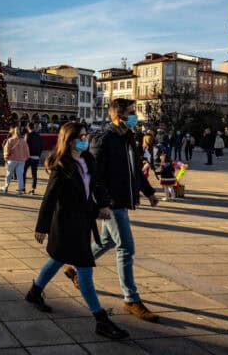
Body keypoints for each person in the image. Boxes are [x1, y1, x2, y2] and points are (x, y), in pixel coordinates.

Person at [28, 122, 129, 340]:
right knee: (84, 269)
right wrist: (42, 227)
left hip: (82, 221)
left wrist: (102, 204)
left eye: (86, 136)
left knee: (57, 259)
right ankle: (100, 319)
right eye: (80, 137)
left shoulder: (88, 159)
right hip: (66, 224)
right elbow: (50, 198)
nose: (85, 140)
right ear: (69, 140)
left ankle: (34, 292)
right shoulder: (61, 166)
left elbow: (98, 184)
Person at [65, 98, 160, 323]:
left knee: (107, 241)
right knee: (126, 248)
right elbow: (95, 176)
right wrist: (103, 203)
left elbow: (134, 169)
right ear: (118, 116)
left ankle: (74, 265)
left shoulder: (128, 137)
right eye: (131, 112)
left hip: (122, 200)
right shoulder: (104, 139)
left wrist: (148, 192)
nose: (135, 116)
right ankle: (131, 298)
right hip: (112, 203)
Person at [1, 126, 29, 194]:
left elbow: (6, 149)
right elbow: (27, 151)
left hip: (12, 160)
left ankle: (6, 187)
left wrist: (6, 157)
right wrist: (25, 158)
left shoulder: (10, 140)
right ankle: (20, 190)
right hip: (21, 160)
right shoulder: (23, 141)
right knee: (20, 175)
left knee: (9, 174)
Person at [24, 122, 43, 194]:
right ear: (34, 127)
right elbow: (41, 147)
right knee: (34, 174)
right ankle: (33, 189)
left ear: (28, 127)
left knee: (23, 173)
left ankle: (23, 188)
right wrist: (38, 155)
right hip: (36, 157)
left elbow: (26, 147)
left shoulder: (27, 135)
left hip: (28, 157)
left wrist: (25, 156)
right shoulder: (38, 135)